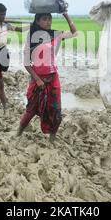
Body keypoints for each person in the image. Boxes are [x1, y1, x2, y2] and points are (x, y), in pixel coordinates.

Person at [17, 10, 77, 142]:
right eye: (44, 19)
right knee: (31, 110)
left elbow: (74, 32)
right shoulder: (32, 38)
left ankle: (52, 139)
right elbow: (26, 63)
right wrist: (37, 79)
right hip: (37, 79)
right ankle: (19, 132)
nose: (48, 22)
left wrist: (66, 14)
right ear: (37, 21)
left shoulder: (56, 35)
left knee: (55, 110)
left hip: (53, 78)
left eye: (49, 19)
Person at [0, 4, 30, 111]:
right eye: (1, 14)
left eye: (4, 14)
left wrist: (31, 26)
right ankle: (5, 106)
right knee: (0, 82)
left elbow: (19, 30)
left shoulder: (6, 25)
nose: (3, 16)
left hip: (3, 53)